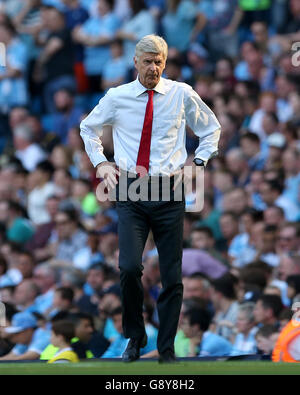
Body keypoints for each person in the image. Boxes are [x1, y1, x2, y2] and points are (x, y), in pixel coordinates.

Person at [80, 34, 221, 363]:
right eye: (148, 61)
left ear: (165, 63)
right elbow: (88, 127)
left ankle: (167, 349)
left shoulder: (181, 93)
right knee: (129, 267)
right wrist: (101, 163)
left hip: (170, 189)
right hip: (131, 189)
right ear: (135, 63)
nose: (154, 67)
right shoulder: (117, 96)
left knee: (172, 275)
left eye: (159, 61)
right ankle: (135, 336)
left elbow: (211, 129)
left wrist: (198, 162)